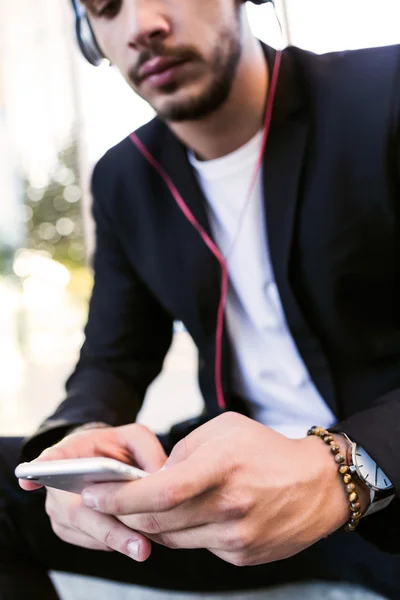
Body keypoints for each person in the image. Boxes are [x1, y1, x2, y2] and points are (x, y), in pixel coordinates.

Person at [1, 0, 400, 598]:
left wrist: (348, 467)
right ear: (91, 37)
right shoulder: (124, 179)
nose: (142, 26)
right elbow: (113, 359)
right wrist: (74, 445)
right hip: (227, 496)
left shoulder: (383, 96)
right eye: (106, 8)